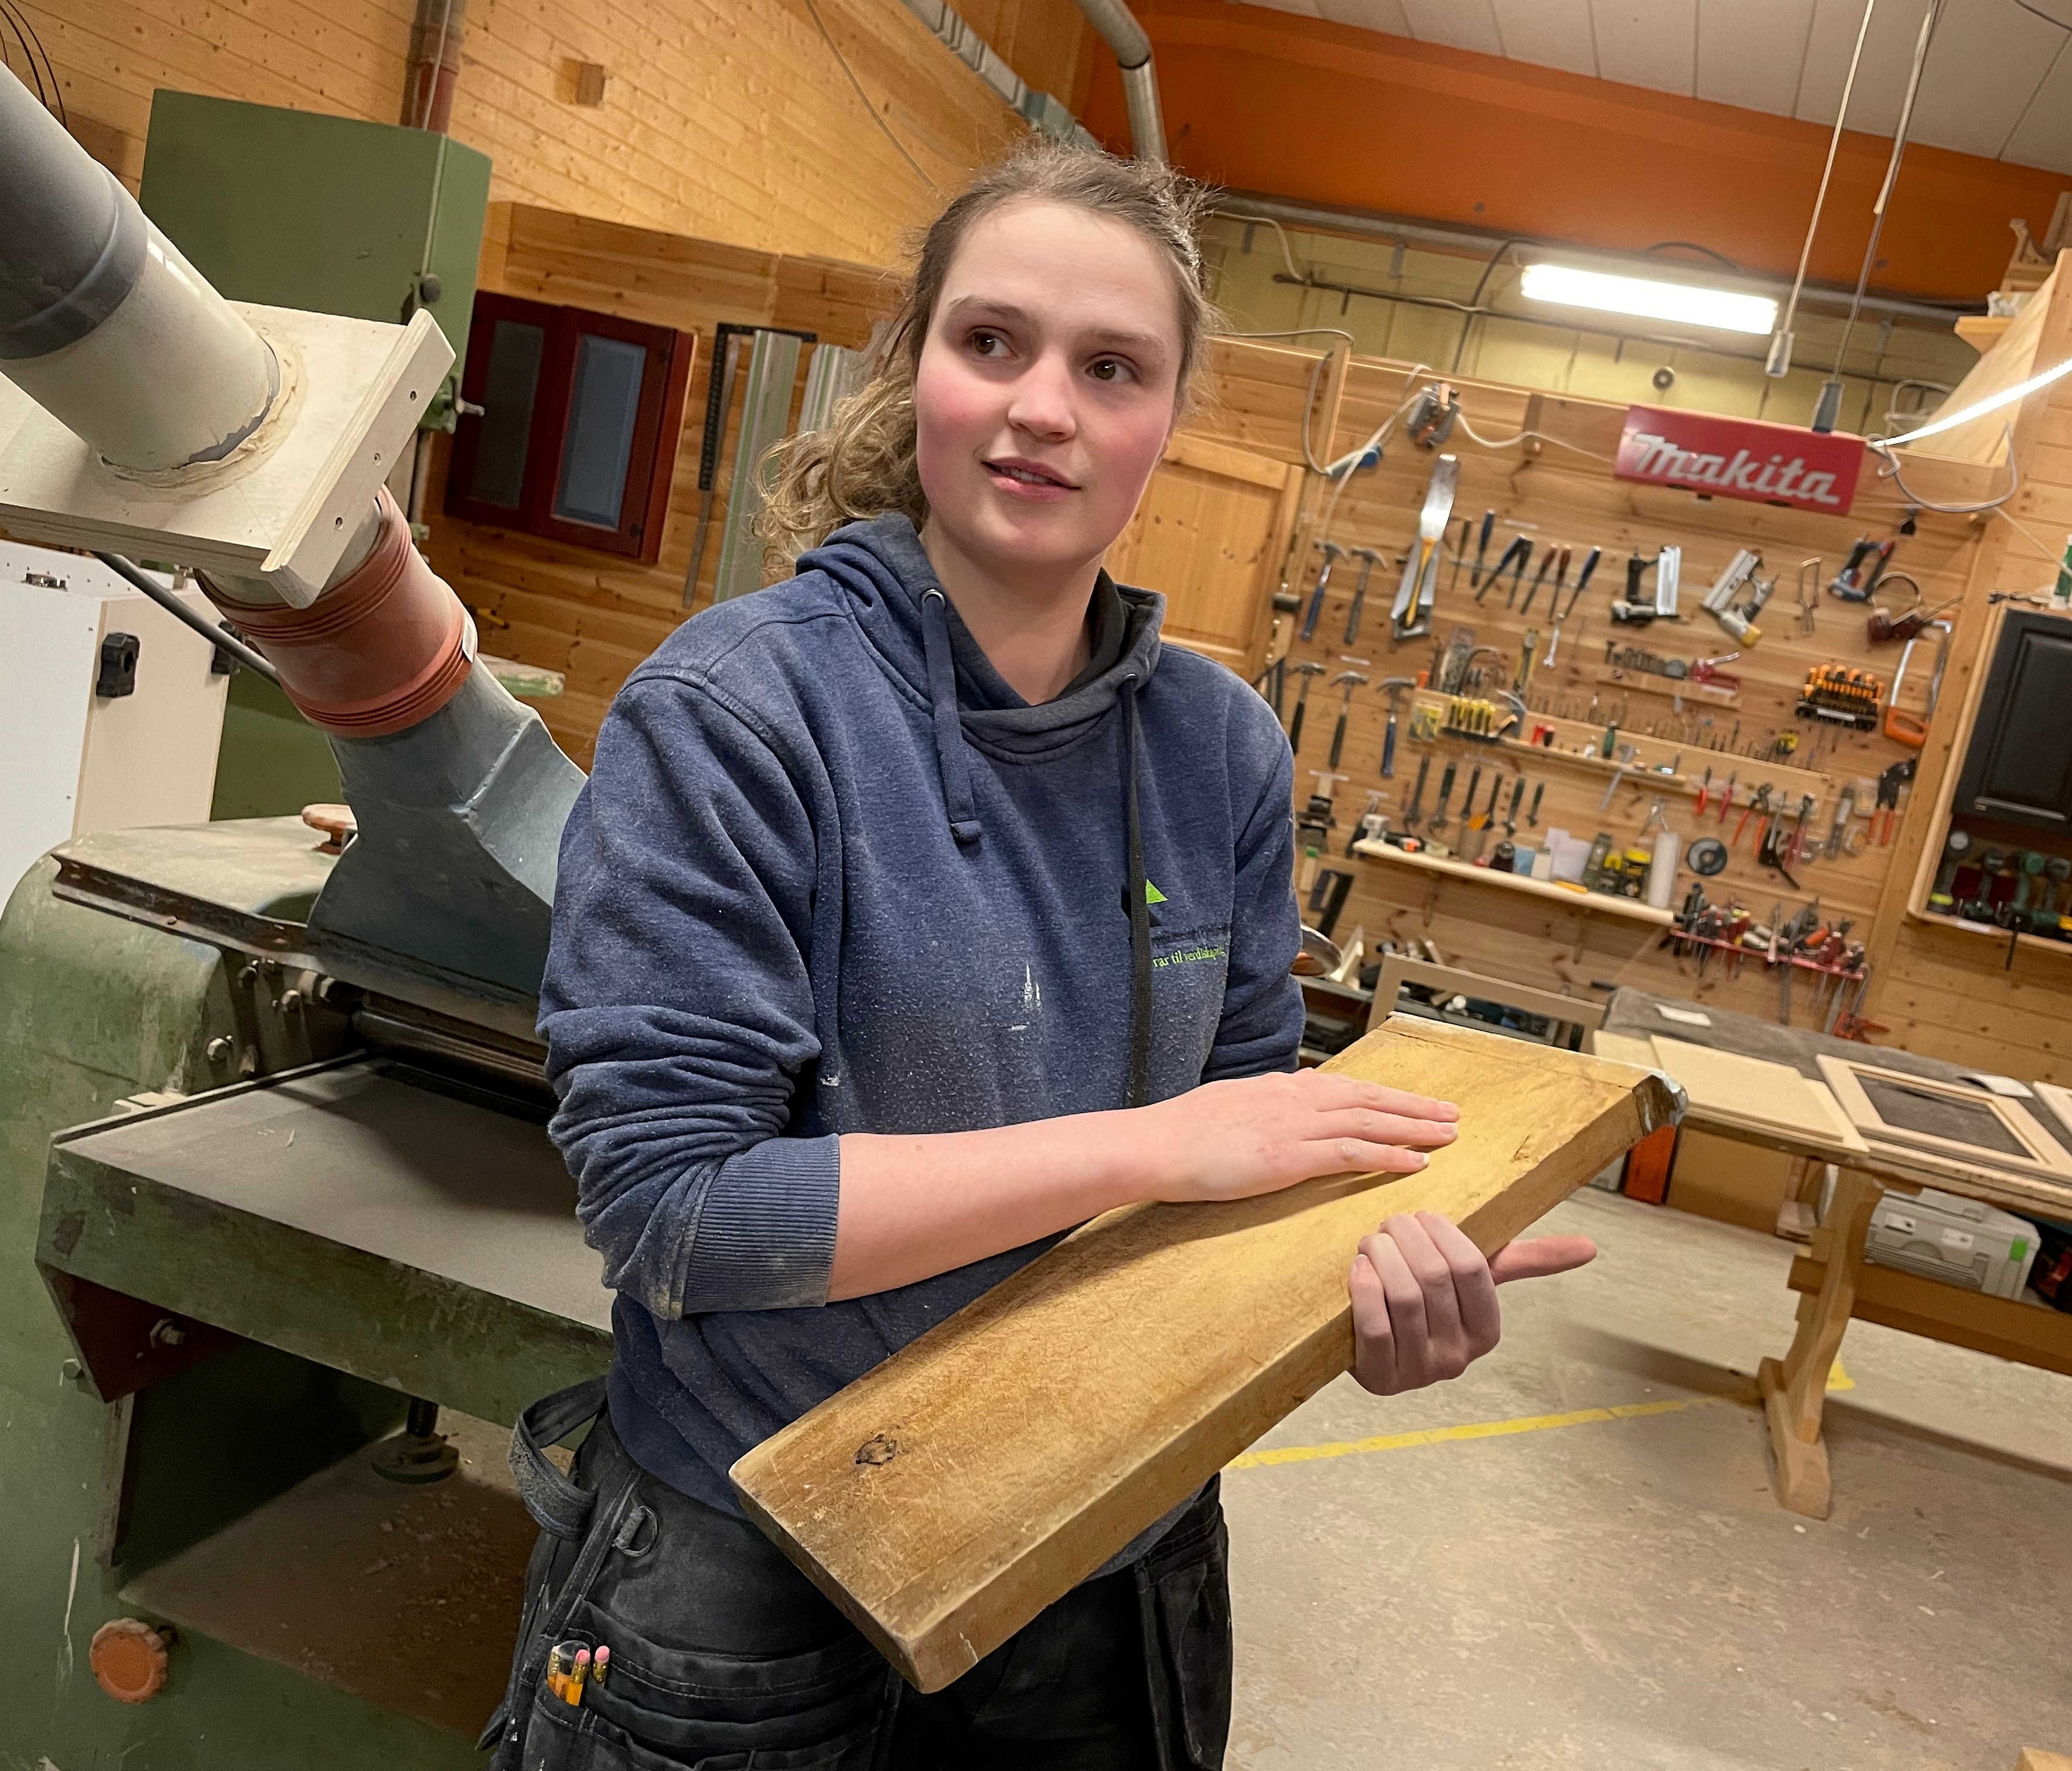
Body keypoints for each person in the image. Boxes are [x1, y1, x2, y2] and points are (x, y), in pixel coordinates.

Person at [484, 140, 1599, 1771]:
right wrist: (1149, 1149)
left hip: (1109, 1549)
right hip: (756, 1560)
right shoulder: (735, 713)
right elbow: (679, 1214)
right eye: (991, 340)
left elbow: (1248, 1155)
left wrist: (1349, 1293)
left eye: (1112, 367)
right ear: (915, 366)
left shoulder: (1220, 749)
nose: (1042, 408)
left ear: (1171, 419)